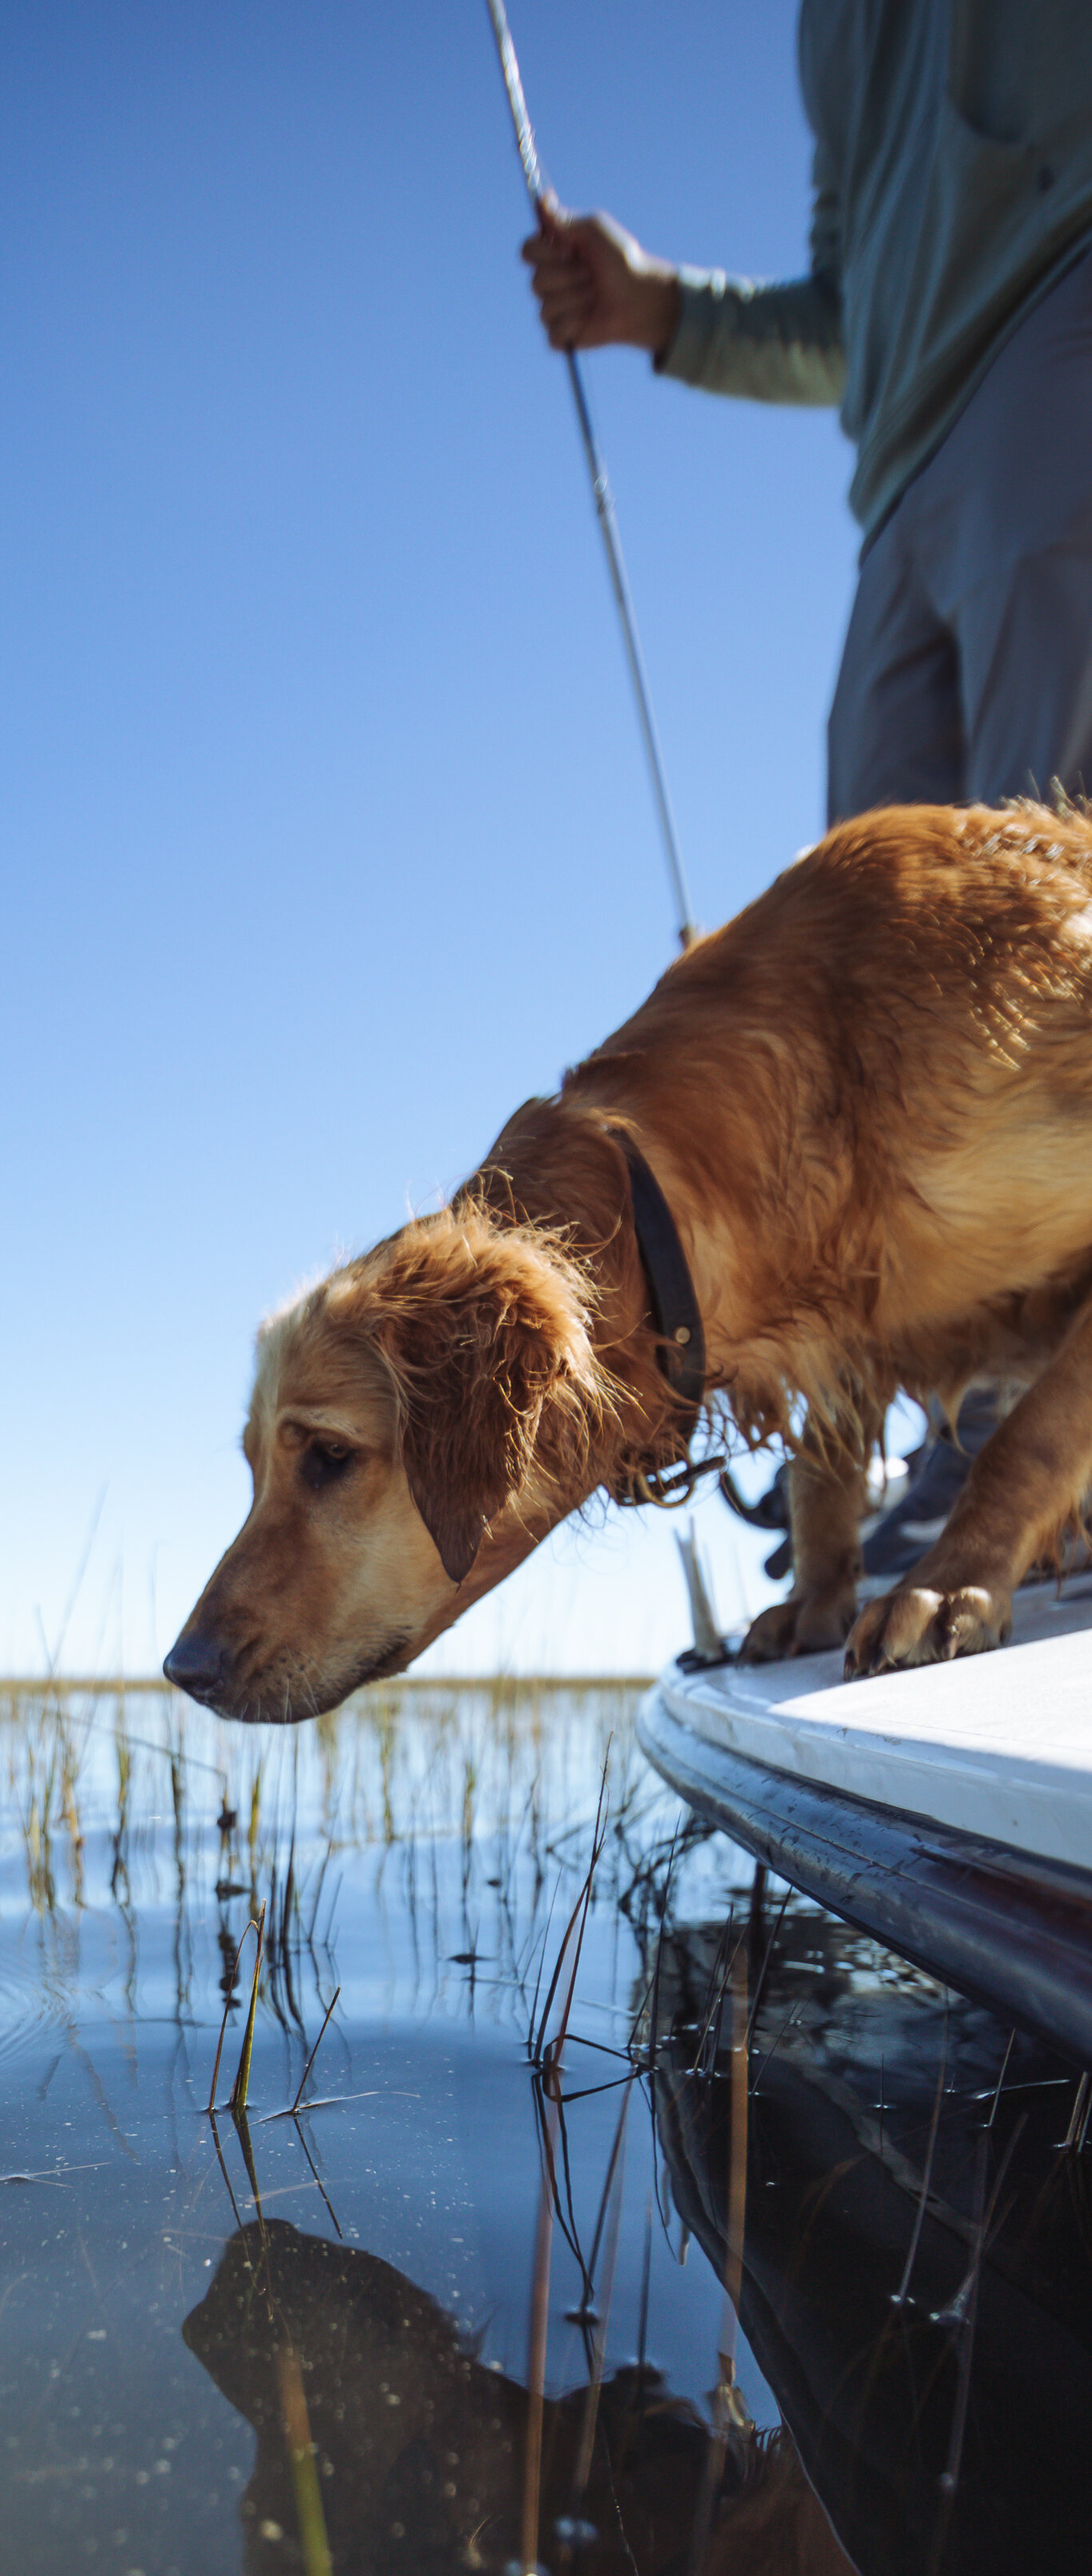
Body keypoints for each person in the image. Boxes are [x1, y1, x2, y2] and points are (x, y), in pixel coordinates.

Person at [522, 2, 1092, 1572]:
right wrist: (661, 314)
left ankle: (1047, 1477)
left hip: (1064, 311)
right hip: (897, 468)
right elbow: (850, 303)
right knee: (870, 1044)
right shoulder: (822, 29)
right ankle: (964, 1447)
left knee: (1058, 961)